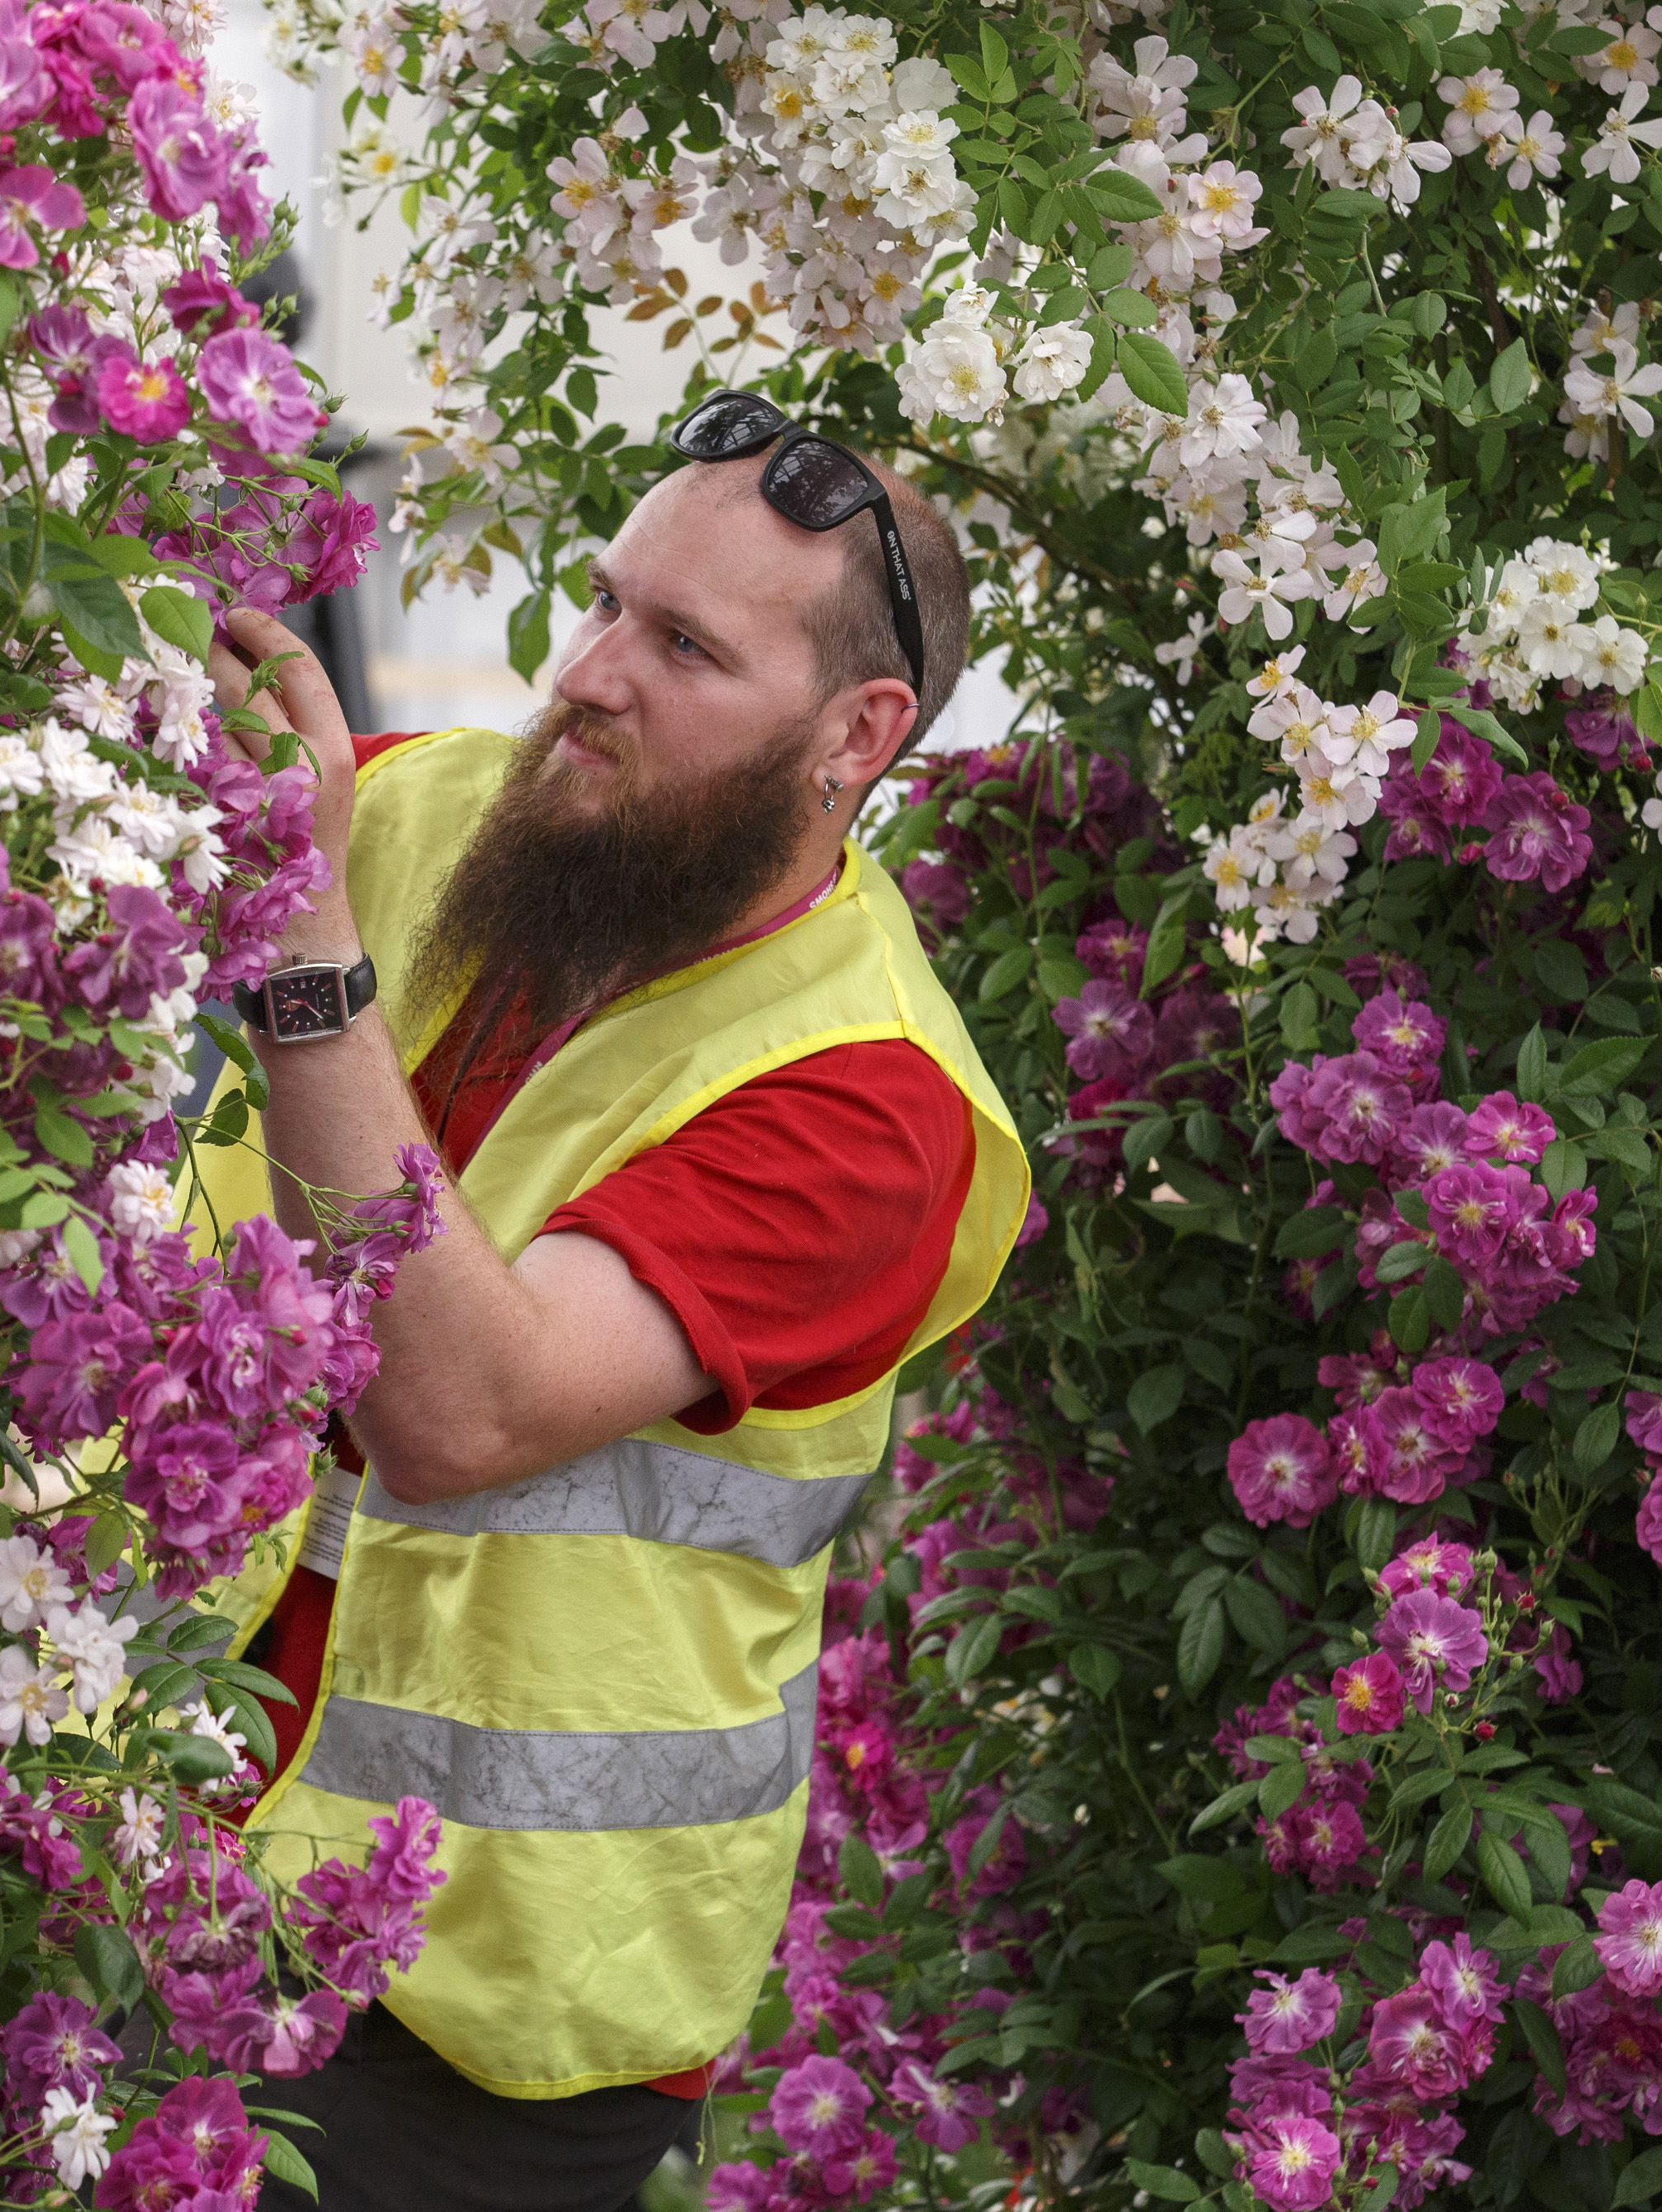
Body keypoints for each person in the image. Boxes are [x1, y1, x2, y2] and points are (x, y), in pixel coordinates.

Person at [192, 396, 1029, 2212]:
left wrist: (301, 948)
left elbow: (460, 1412)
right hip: (160, 1821)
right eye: (601, 603)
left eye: (682, 647)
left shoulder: (873, 1102)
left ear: (854, 734)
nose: (584, 676)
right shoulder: (435, 825)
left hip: (479, 2006)